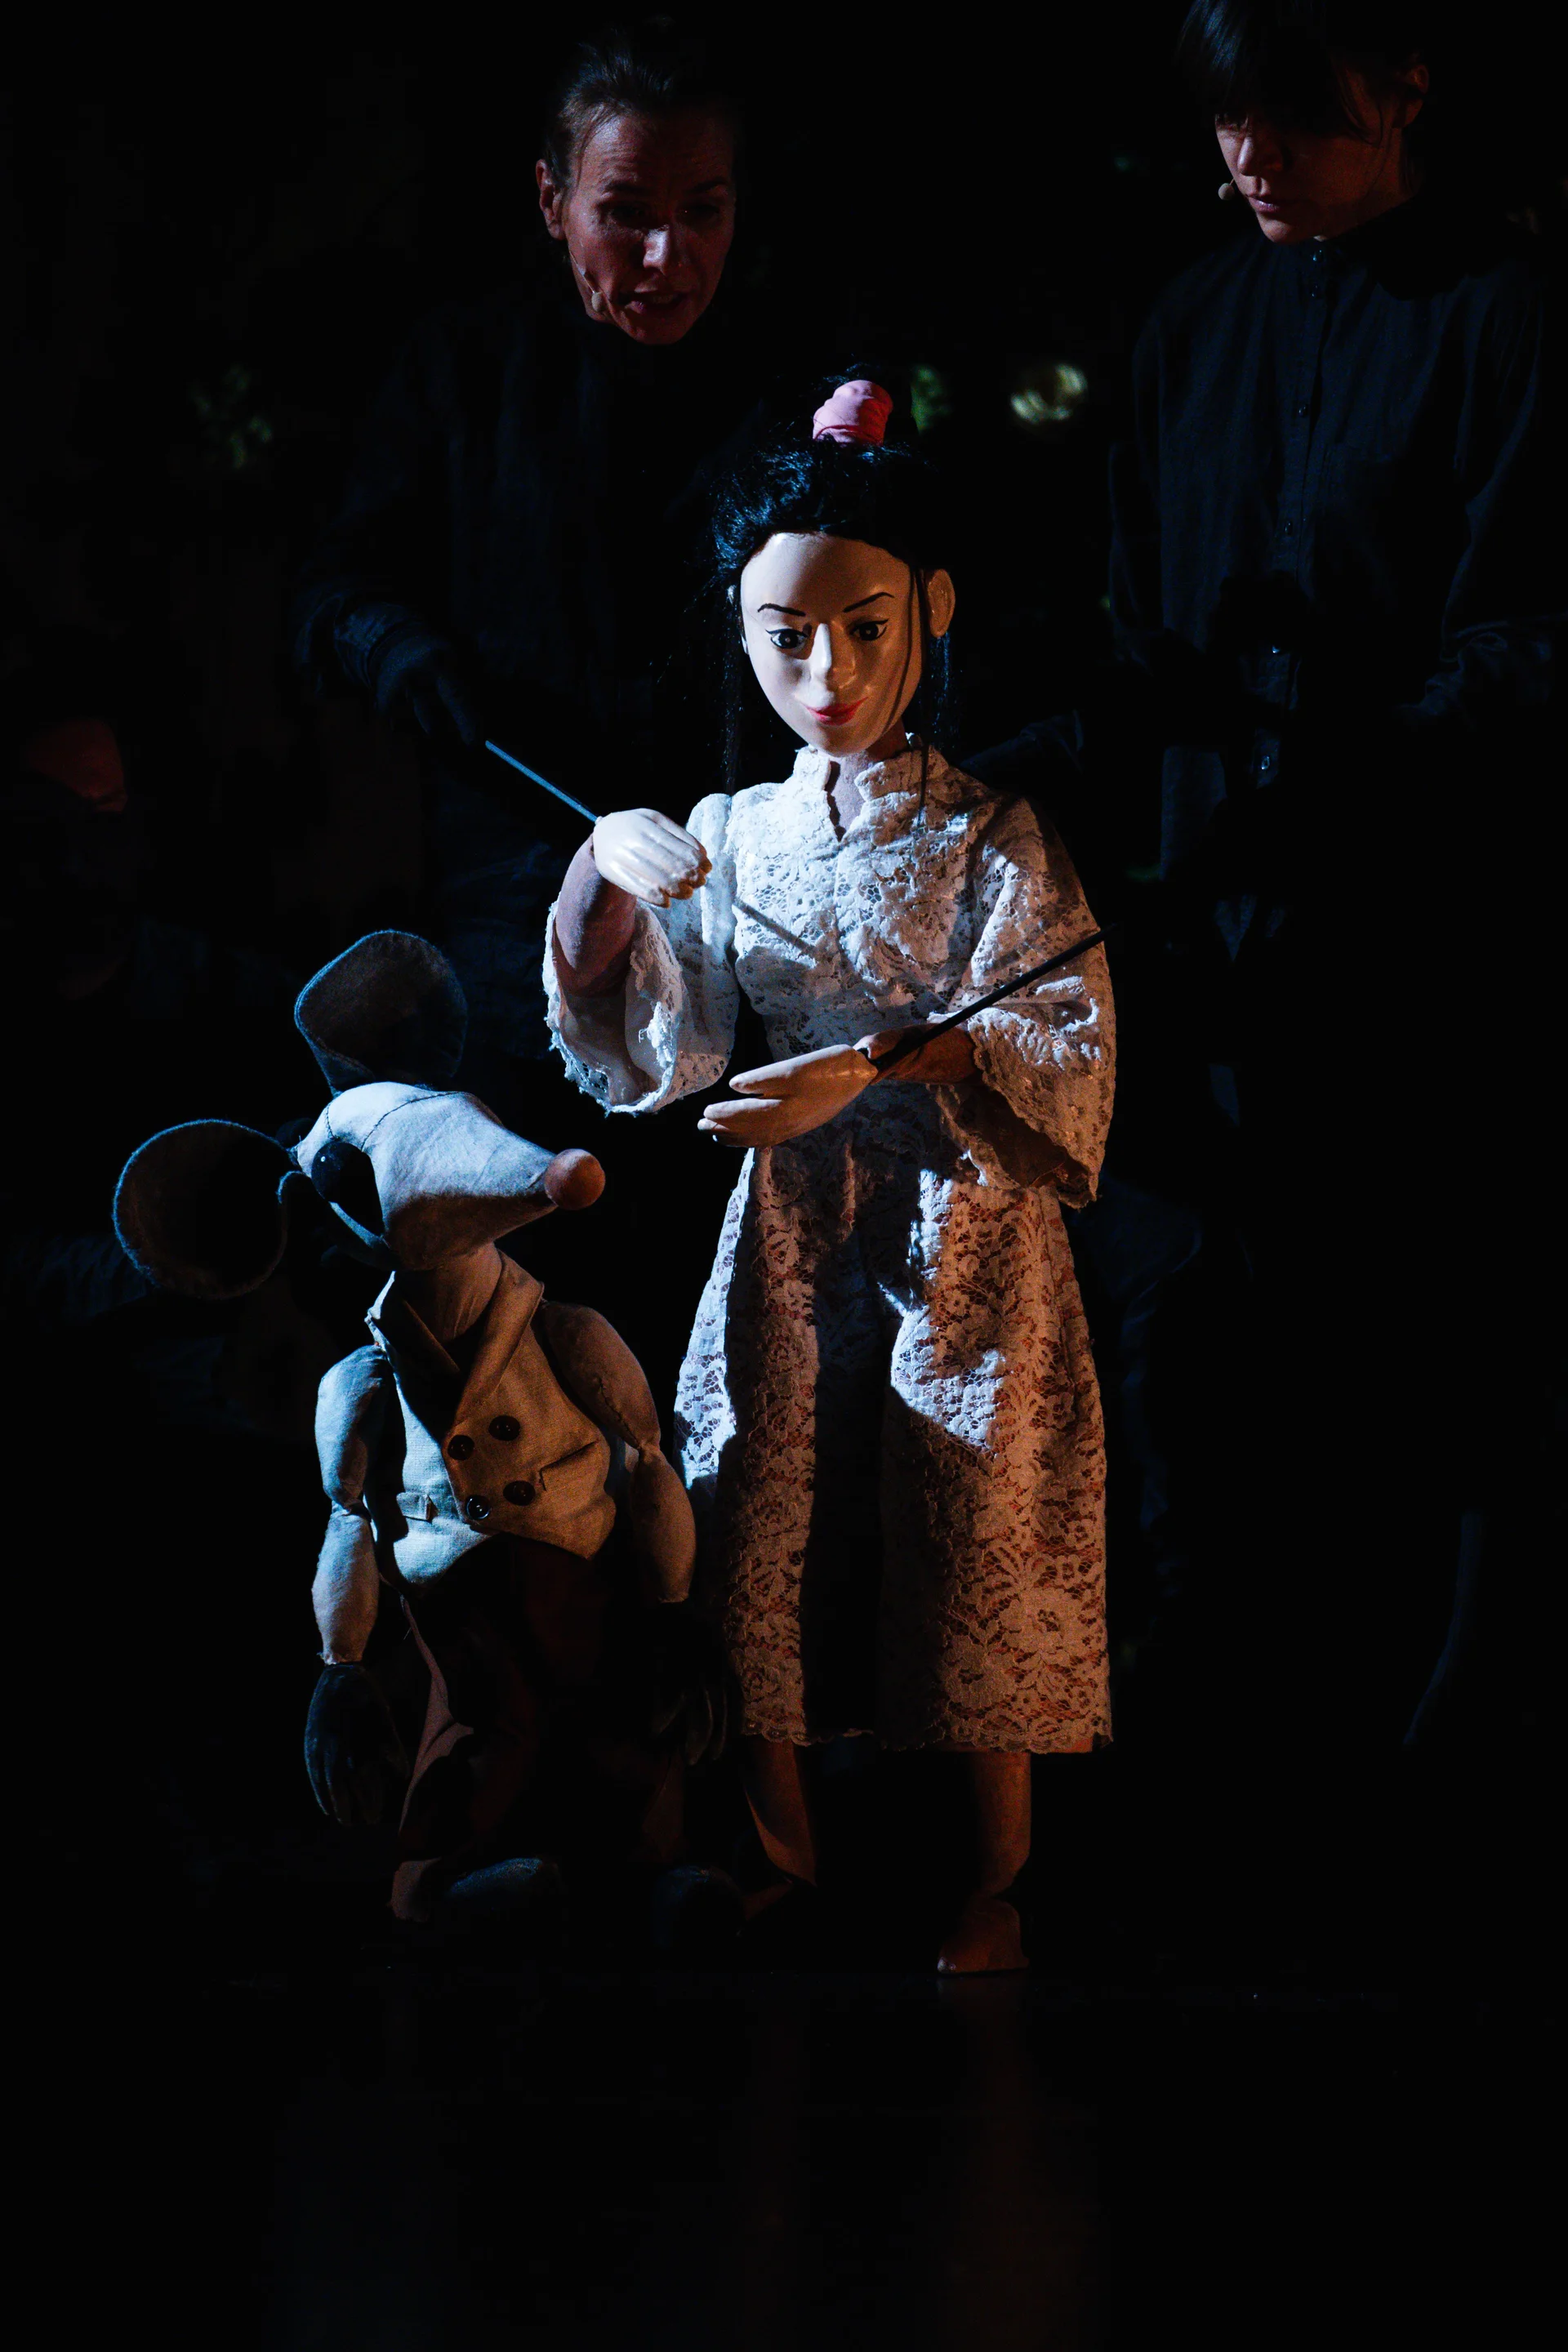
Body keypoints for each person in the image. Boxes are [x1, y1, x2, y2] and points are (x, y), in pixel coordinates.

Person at [982, 1, 1561, 1767]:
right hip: (1220, 948)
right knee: (1224, 1354)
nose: (1251, 157)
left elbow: (1525, 633)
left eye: (1295, 119)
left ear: (1403, 89)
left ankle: (1456, 1731)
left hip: (1430, 942)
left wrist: (1352, 769)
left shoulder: (1504, 315)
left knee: (1442, 1347)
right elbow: (1147, 626)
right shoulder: (1193, 323)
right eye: (1231, 118)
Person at [545, 385, 1116, 1971]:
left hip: (963, 1231)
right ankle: (781, 1845)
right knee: (764, 1509)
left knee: (969, 1510)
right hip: (795, 1228)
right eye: (785, 639)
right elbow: (663, 1046)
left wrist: (880, 1066)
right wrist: (600, 880)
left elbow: (1062, 1026)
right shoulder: (739, 831)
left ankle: (991, 1872)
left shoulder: (990, 835)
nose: (828, 674)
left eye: (863, 631)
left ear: (932, 611)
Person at [288, 21, 759, 1109]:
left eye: (703, 211)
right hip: (513, 895)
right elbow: (331, 590)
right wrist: (395, 644)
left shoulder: (779, 383)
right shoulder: (463, 368)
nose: (667, 256)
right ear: (553, 201)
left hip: (736, 896)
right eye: (625, 213)